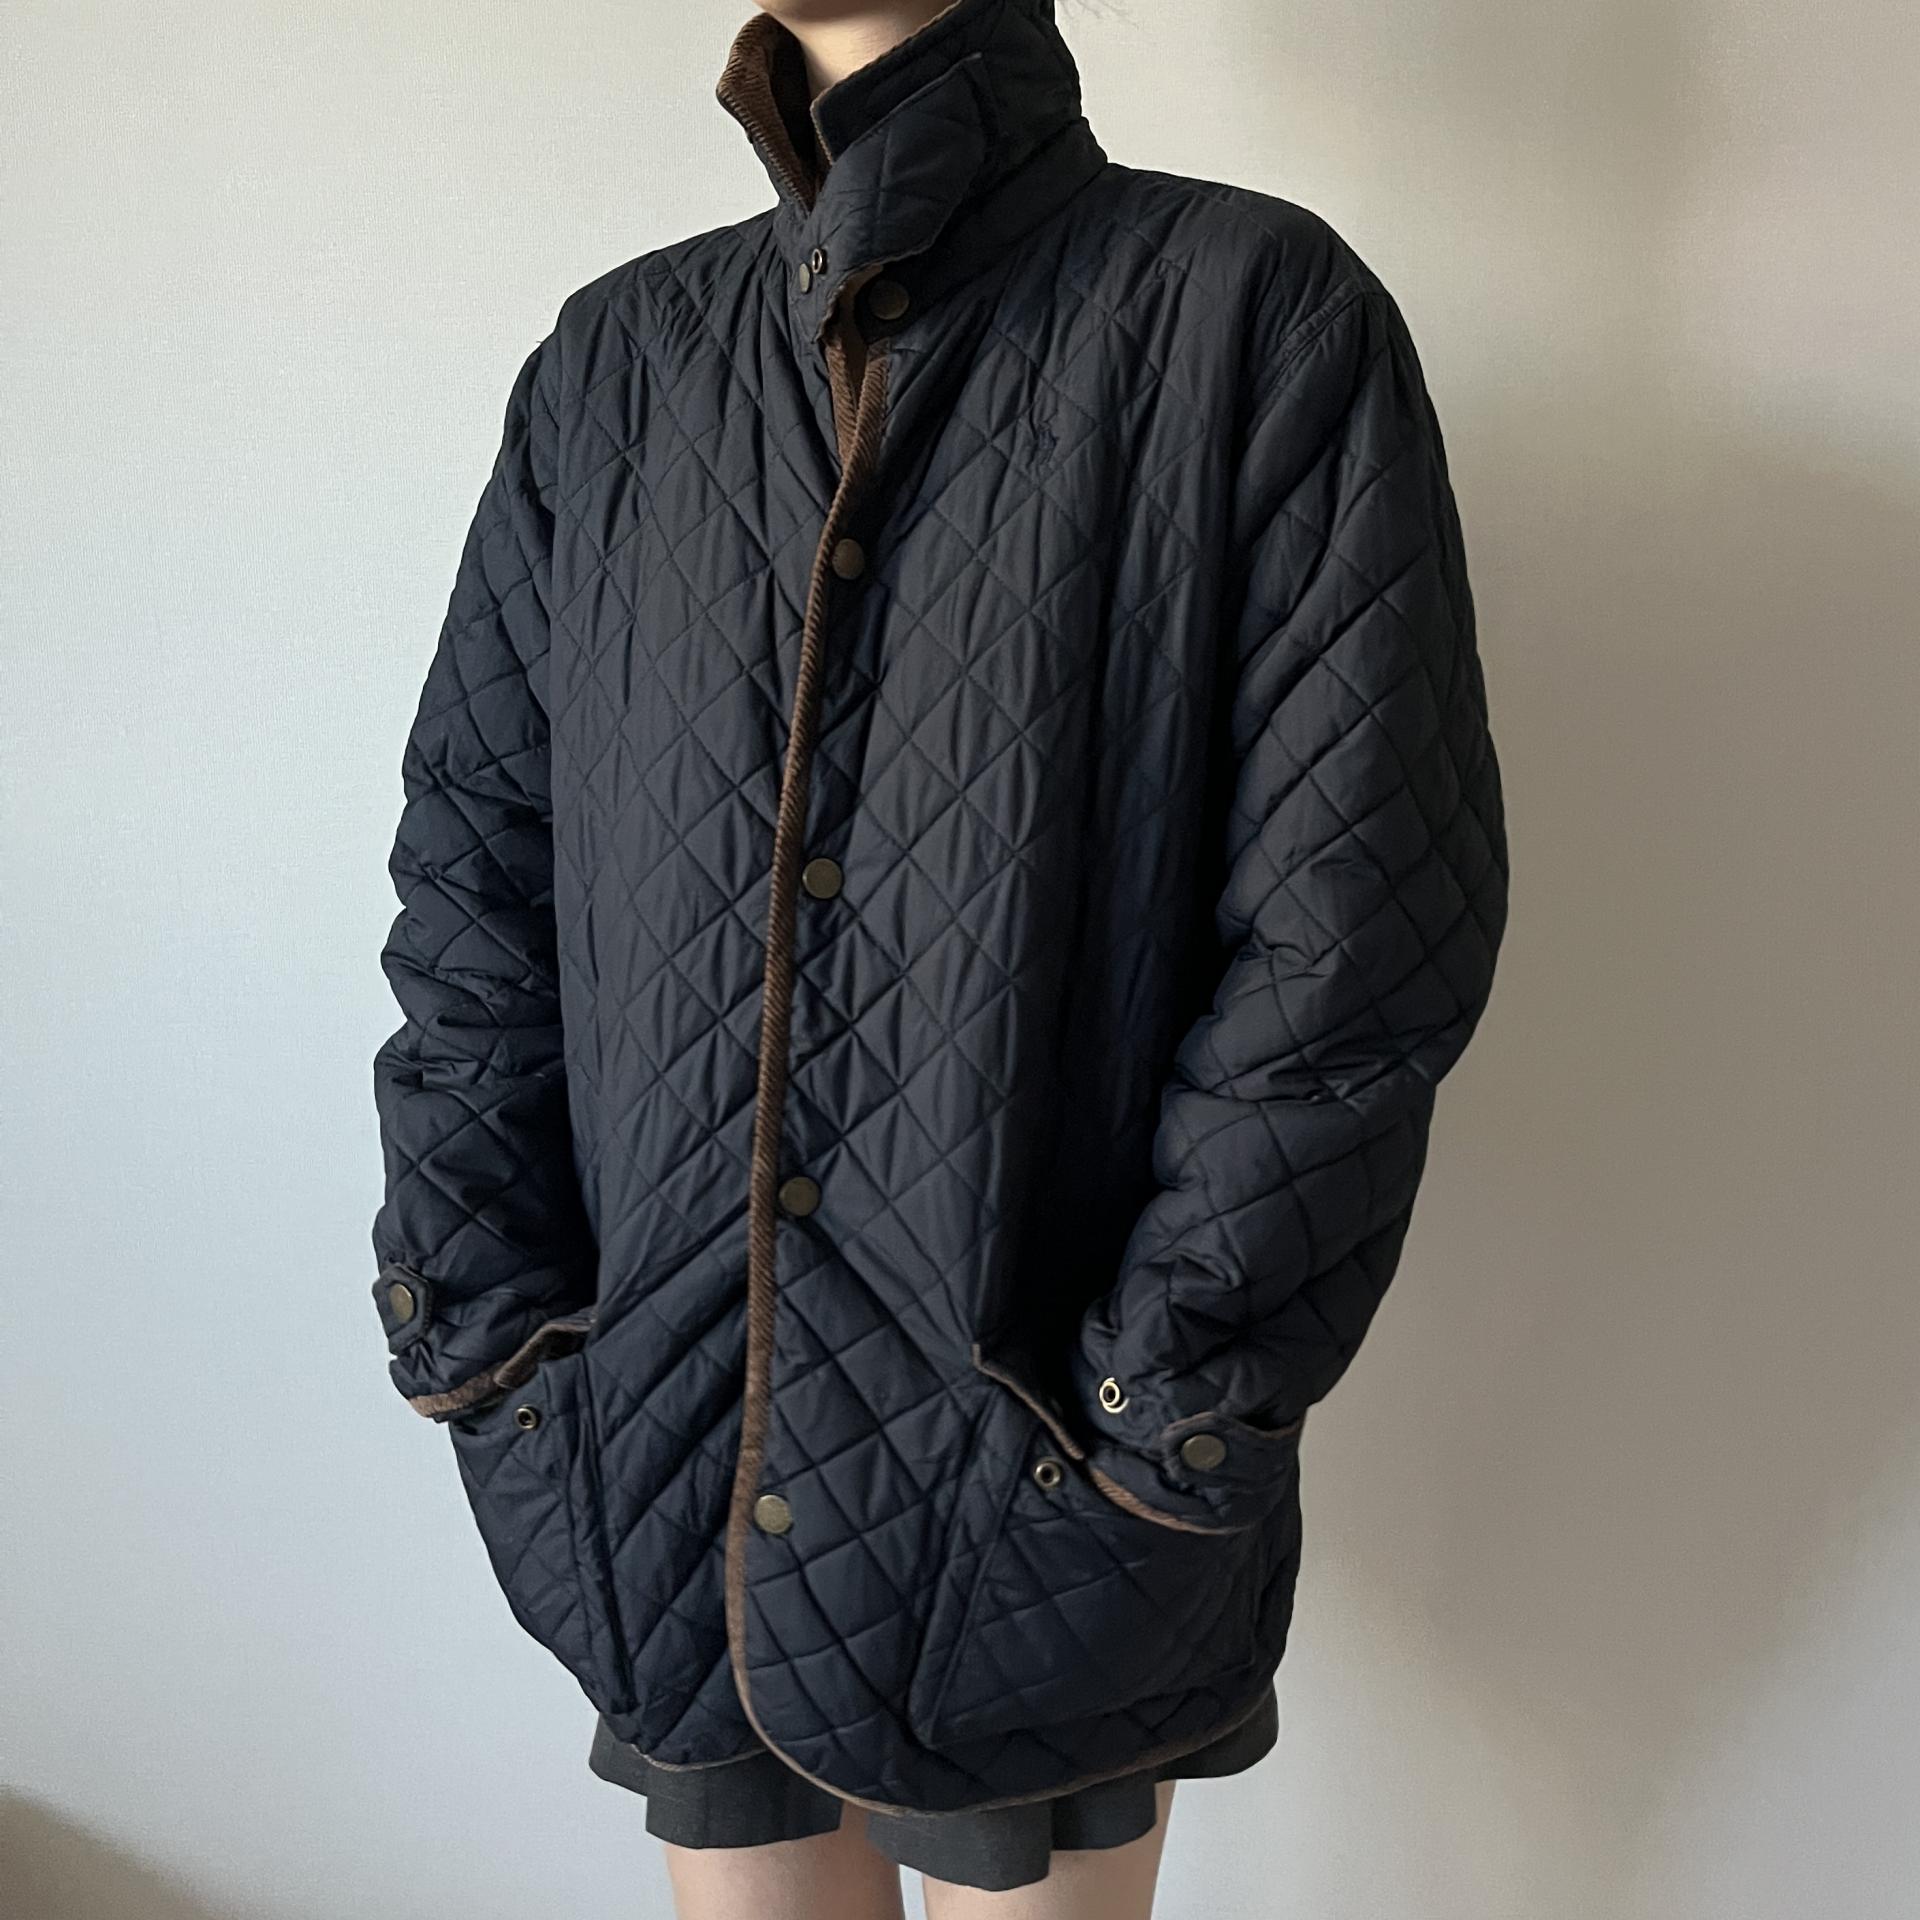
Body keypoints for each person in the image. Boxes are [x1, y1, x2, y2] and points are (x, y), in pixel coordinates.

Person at [367, 1, 1510, 1914]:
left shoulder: (1249, 314)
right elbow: (478, 889)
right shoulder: (615, 367)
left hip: (1053, 1490)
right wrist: (488, 1337)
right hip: (663, 1458)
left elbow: (1354, 940)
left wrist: (1163, 1402)